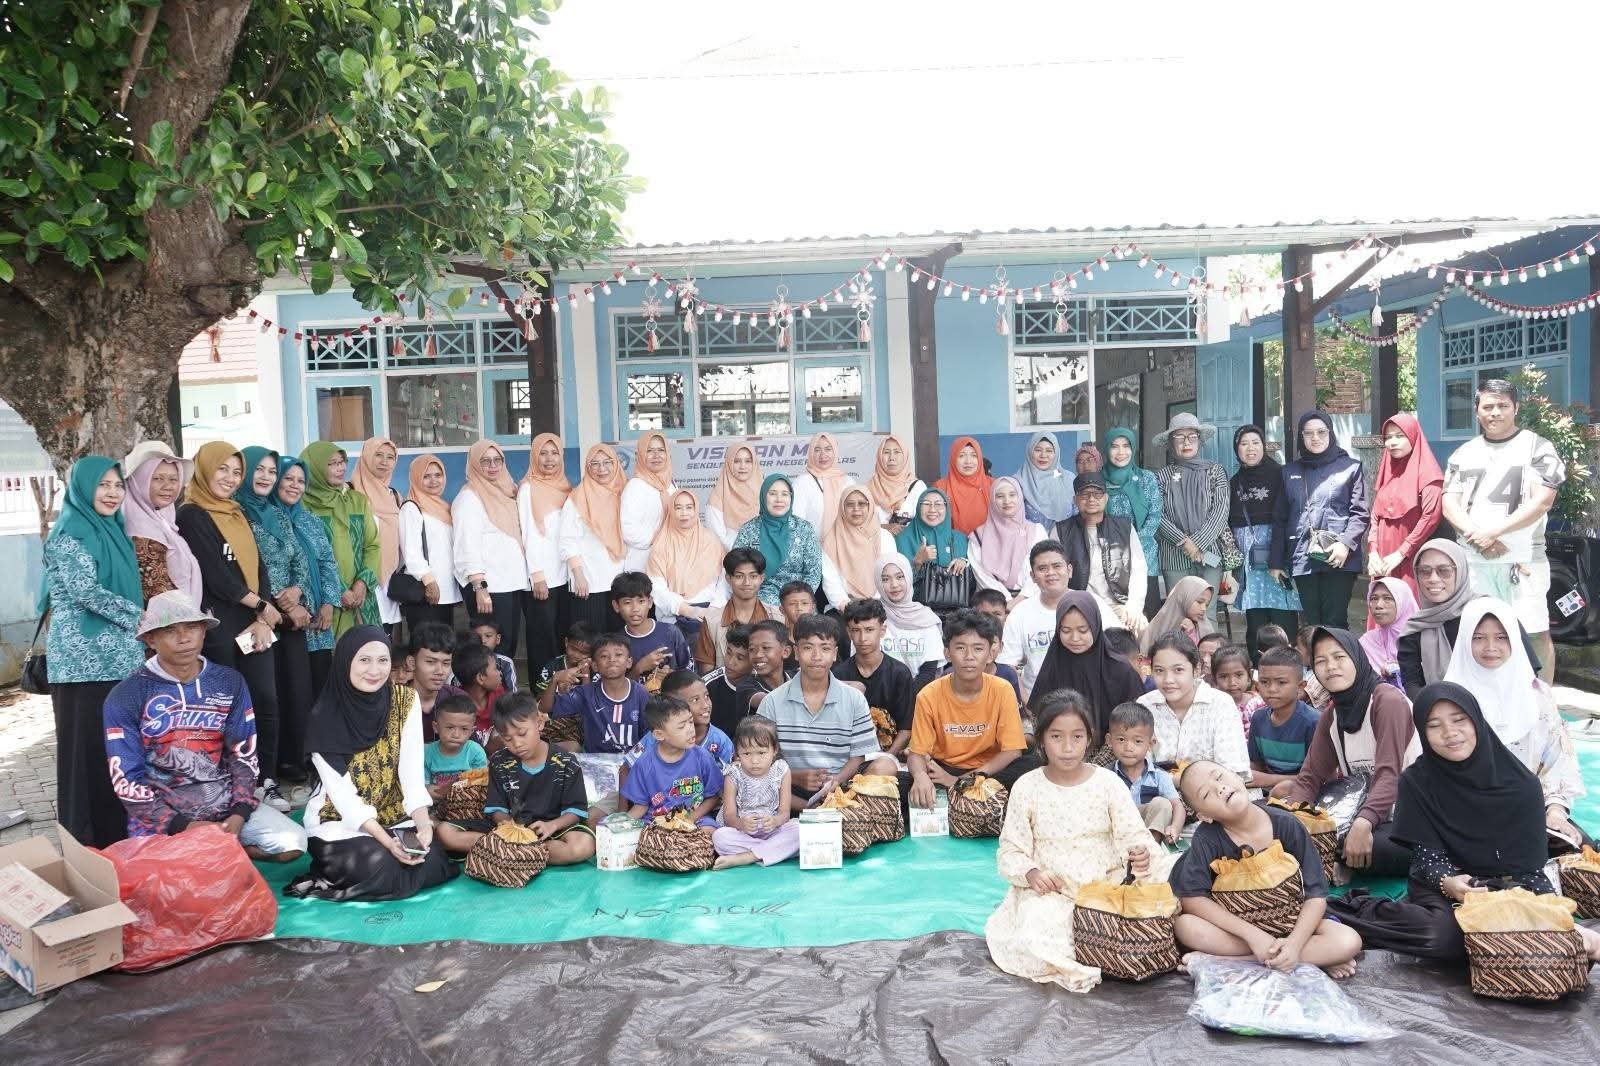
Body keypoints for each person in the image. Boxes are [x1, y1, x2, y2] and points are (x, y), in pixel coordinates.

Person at [1327, 683, 1600, 965]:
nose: (1450, 733)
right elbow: (1428, 859)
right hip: (1443, 886)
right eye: (1435, 726)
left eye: (1459, 720)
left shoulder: (1522, 786)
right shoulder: (1417, 782)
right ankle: (1354, 910)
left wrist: (1554, 918)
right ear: (1423, 732)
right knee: (1440, 938)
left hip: (1508, 888)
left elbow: (1530, 871)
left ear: (1476, 721)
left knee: (1553, 942)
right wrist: (1448, 883)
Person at [984, 690, 1165, 994]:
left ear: (1089, 738)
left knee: (1155, 912)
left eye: (1077, 737)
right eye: (1056, 737)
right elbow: (1011, 850)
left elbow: (1133, 836)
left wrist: (1141, 856)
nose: (1068, 748)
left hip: (1107, 885)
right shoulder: (1027, 786)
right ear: (1041, 740)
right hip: (1052, 891)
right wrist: (1032, 874)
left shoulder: (1108, 783)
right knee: (1035, 938)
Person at [104, 590, 307, 860]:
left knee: (293, 842)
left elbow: (243, 755)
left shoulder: (229, 682)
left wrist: (239, 812)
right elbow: (126, 779)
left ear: (203, 631)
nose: (184, 638)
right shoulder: (126, 695)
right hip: (164, 823)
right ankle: (219, 850)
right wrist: (183, 826)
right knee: (170, 872)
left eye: (192, 627)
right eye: (170, 630)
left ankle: (226, 847)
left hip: (225, 810)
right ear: (151, 639)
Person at [286, 627, 455, 902]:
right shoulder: (324, 717)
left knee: (432, 859)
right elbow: (343, 797)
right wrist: (388, 842)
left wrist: (424, 825)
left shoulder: (405, 700)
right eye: (364, 660)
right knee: (381, 865)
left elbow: (411, 774)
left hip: (391, 813)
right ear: (346, 661)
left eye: (382, 660)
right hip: (339, 820)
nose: (375, 670)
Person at [1171, 760, 1362, 978]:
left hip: (1292, 919)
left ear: (1238, 776)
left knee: (1348, 941)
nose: (1219, 788)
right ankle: (1305, 957)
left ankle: (1235, 961)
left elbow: (1316, 895)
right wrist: (1254, 936)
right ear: (1204, 816)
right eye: (1206, 794)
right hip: (1242, 930)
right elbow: (1193, 899)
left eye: (1219, 777)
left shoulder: (1287, 824)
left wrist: (1295, 944)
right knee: (1185, 926)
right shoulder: (1206, 839)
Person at [41, 456, 147, 848]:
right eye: (103, 484)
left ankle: (118, 835)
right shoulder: (71, 533)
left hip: (121, 662)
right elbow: (86, 592)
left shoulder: (114, 532)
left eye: (118, 485)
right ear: (83, 488)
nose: (112, 493)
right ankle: (84, 843)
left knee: (116, 754)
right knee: (83, 757)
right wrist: (143, 619)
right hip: (81, 667)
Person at [177, 442, 285, 808]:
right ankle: (232, 783)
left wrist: (262, 615)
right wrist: (261, 605)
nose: (230, 478)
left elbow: (259, 567)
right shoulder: (192, 515)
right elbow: (217, 575)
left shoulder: (237, 513)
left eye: (237, 472)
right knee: (226, 705)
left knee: (265, 699)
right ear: (205, 470)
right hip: (221, 625)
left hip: (254, 623)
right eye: (222, 469)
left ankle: (265, 779)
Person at [1443, 379, 1566, 684]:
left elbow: (1543, 501)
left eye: (1502, 406)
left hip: (1522, 560)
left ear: (1516, 408)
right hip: (1475, 562)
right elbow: (1449, 503)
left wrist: (1496, 532)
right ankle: (1485, 697)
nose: (1495, 412)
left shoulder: (1538, 448)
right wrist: (1478, 536)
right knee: (1478, 633)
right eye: (1488, 406)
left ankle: (1541, 701)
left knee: (1533, 633)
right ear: (1477, 411)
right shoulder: (1463, 453)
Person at [1443, 599, 1586, 848]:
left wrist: (1554, 811)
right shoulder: (1448, 698)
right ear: (1465, 639)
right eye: (1478, 638)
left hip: (1528, 811)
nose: (1490, 647)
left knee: (1577, 848)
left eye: (1501, 637)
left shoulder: (1538, 695)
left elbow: (1558, 758)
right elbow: (1429, 769)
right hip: (1464, 813)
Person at [1282, 627, 1419, 877]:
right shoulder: (1332, 715)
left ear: (1357, 657)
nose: (1330, 667)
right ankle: (1338, 861)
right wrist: (1293, 822)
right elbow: (1310, 776)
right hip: (1360, 811)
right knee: (1280, 821)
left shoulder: (1387, 701)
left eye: (1339, 657)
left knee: (1376, 846)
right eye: (1321, 661)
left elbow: (1389, 774)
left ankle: (1341, 864)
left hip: (1407, 814)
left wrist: (1363, 822)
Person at [433, 692, 595, 866]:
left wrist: (553, 825)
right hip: (508, 831)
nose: (517, 744)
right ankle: (525, 853)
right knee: (445, 832)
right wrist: (510, 827)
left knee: (583, 845)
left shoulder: (566, 762)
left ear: (539, 723)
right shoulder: (499, 761)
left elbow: (575, 811)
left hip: (549, 831)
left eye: (522, 734)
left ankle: (506, 853)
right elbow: (497, 809)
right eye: (507, 738)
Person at [235, 446, 316, 790]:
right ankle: (264, 769)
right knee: (265, 694)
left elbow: (299, 559)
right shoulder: (237, 514)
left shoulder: (276, 514)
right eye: (260, 470)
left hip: (289, 618)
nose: (266, 477)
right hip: (257, 617)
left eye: (272, 471)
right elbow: (247, 568)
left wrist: (296, 592)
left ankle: (293, 761)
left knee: (296, 689)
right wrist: (276, 604)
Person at [757, 614, 897, 805]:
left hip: (842, 787)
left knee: (885, 766)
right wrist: (794, 777)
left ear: (834, 653)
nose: (816, 657)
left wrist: (837, 781)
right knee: (753, 775)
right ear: (796, 652)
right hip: (789, 788)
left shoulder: (854, 699)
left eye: (825, 648)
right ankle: (811, 810)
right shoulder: (772, 702)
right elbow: (760, 759)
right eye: (808, 648)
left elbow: (859, 756)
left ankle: (839, 808)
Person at [908, 610, 1030, 809]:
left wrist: (962, 780)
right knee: (903, 782)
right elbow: (917, 753)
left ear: (990, 654)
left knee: (1031, 766)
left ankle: (960, 792)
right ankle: (963, 797)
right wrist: (921, 776)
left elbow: (1012, 751)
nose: (969, 657)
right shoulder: (928, 695)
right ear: (947, 653)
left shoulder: (1002, 689)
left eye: (978, 648)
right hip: (944, 769)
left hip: (988, 771)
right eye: (960, 648)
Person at [1396, 538, 1537, 698]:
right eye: (1424, 571)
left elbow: (1528, 669)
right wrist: (1438, 709)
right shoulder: (1416, 627)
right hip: (1443, 709)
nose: (1433, 578)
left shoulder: (1491, 612)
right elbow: (1412, 685)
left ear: (1461, 571)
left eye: (1444, 570)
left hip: (1503, 704)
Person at [1272, 411, 1369, 629]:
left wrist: (1345, 544)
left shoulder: (1351, 468)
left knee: (1335, 622)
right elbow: (1280, 519)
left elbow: (1360, 513)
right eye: (1308, 433)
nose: (1315, 438)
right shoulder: (1289, 472)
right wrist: (1276, 562)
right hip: (1302, 555)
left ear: (1330, 433)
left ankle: (1339, 653)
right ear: (1301, 437)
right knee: (1311, 624)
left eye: (1321, 432)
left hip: (1338, 557)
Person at [1025, 592, 1146, 746]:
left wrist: (1101, 757)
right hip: (1059, 750)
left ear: (1095, 626)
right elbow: (1039, 718)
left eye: (1083, 630)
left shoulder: (1121, 670)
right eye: (1066, 631)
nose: (1075, 638)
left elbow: (1134, 723)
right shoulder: (1053, 665)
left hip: (1113, 751)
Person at [452, 440, 531, 661]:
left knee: (507, 644)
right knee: (490, 650)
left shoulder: (507, 492)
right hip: (489, 588)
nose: (493, 466)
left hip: (509, 584)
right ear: (475, 464)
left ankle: (502, 683)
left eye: (497, 460)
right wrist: (480, 587)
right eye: (485, 461)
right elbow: (466, 545)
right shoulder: (469, 498)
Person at [1229, 424, 1300, 662]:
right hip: (1249, 563)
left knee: (1283, 615)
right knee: (1255, 620)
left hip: (1278, 556)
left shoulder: (1281, 475)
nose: (1250, 449)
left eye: (1255, 443)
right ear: (1237, 449)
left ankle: (1289, 666)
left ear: (1264, 446)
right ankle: (1258, 669)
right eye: (1244, 444)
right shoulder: (1235, 482)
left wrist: (1281, 556)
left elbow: (1291, 516)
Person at [273, 454, 342, 698]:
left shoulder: (310, 521)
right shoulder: (265, 521)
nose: (295, 485)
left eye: (301, 481)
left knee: (321, 688)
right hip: (285, 620)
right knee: (293, 691)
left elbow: (327, 563)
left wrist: (329, 603)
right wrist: (291, 606)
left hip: (318, 622)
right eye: (288, 478)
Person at [1154, 413, 1229, 625]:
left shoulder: (1215, 472)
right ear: (1171, 443)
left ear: (1199, 440)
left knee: (1208, 612)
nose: (1186, 442)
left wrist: (1197, 543)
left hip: (1209, 554)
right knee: (1178, 613)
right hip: (1174, 555)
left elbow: (1220, 511)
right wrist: (1183, 541)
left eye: (1192, 437)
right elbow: (1157, 515)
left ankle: (1208, 648)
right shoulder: (1161, 477)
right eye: (1179, 437)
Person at [1137, 634, 1250, 776]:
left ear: (1196, 669)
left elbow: (1233, 772)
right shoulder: (1145, 705)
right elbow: (1138, 768)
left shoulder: (1220, 705)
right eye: (1159, 670)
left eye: (1178, 670)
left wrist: (1176, 779)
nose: (1168, 680)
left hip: (1214, 789)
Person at [300, 441, 381, 636]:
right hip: (324, 600)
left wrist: (362, 583)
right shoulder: (303, 506)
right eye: (333, 463)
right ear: (315, 468)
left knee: (365, 648)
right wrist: (340, 590)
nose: (341, 468)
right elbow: (308, 555)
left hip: (360, 598)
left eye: (342, 462)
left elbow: (372, 545)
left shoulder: (357, 500)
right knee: (331, 652)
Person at [619, 694, 724, 832]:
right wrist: (621, 825)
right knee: (642, 836)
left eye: (690, 722)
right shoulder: (644, 764)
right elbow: (640, 806)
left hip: (695, 818)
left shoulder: (702, 757)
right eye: (681, 726)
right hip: (656, 822)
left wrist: (689, 819)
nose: (690, 729)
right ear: (659, 734)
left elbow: (713, 797)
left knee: (709, 831)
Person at [1054, 473, 1146, 629]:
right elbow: (1054, 572)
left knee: (1140, 627)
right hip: (1078, 605)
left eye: (1097, 493)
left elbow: (1139, 569)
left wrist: (1134, 605)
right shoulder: (1061, 531)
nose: (1091, 499)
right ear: (1075, 500)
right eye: (1084, 494)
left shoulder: (1124, 527)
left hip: (1117, 605)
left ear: (1106, 498)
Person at [1366, 413, 1443, 599]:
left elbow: (1431, 517)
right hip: (1382, 561)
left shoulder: (1428, 473)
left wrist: (1402, 552)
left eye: (1400, 436)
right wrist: (1373, 552)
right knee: (1383, 606)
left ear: (1413, 436)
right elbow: (1376, 516)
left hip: (1412, 558)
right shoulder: (1388, 471)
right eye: (1388, 437)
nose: (1392, 442)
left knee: (1406, 606)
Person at [712, 715, 799, 869]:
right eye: (746, 754)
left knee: (799, 829)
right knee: (719, 837)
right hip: (743, 834)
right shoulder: (733, 774)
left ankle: (748, 856)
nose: (754, 761)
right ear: (737, 752)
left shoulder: (781, 770)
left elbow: (785, 813)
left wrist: (775, 821)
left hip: (773, 831)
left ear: (774, 750)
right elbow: (729, 816)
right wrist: (741, 824)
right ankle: (776, 851)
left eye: (761, 753)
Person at [834, 597, 917, 758]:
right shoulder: (838, 674)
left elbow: (907, 729)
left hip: (890, 755)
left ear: (882, 630)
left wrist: (887, 757)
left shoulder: (900, 673)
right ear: (848, 632)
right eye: (856, 630)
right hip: (849, 755)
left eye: (869, 630)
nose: (862, 638)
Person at [121, 441, 202, 604]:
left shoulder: (162, 520)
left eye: (173, 479)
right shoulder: (140, 531)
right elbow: (158, 596)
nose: (168, 486)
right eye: (157, 478)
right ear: (139, 481)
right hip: (171, 618)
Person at [560, 444, 630, 633]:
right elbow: (567, 540)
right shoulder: (577, 497)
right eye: (595, 464)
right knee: (591, 639)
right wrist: (579, 576)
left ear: (616, 464)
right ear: (587, 467)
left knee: (617, 639)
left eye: (607, 462)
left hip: (619, 582)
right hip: (589, 582)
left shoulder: (624, 492)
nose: (602, 469)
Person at [542, 633, 649, 754]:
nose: (612, 660)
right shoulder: (586, 693)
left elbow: (649, 735)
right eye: (604, 656)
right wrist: (555, 679)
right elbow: (545, 708)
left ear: (629, 662)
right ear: (595, 666)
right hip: (595, 760)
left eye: (618, 654)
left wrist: (632, 760)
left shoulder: (641, 693)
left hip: (632, 760)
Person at [621, 669, 734, 779]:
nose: (705, 705)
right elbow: (626, 769)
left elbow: (730, 780)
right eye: (695, 700)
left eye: (706, 696)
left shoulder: (721, 741)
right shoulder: (659, 737)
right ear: (672, 706)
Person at [517, 432, 572, 656]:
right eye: (543, 453)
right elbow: (527, 535)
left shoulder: (565, 486)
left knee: (560, 635)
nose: (549, 459)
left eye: (554, 453)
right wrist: (537, 576)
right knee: (543, 638)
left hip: (563, 575)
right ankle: (542, 679)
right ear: (534, 457)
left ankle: (560, 677)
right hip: (542, 577)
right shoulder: (527, 489)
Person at [732, 474, 823, 609]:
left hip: (799, 601)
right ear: (764, 497)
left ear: (791, 498)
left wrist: (799, 600)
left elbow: (813, 572)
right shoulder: (749, 530)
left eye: (784, 494)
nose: (779, 499)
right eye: (773, 494)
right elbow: (737, 569)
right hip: (759, 599)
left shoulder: (804, 529)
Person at [998, 541, 1074, 702]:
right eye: (1042, 568)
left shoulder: (1092, 604)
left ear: (1069, 570)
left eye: (1057, 566)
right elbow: (1007, 665)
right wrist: (1028, 704)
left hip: (1085, 701)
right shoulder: (1020, 613)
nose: (1050, 573)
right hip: (1039, 702)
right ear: (1032, 576)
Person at [1102, 426, 1164, 621]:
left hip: (1144, 555)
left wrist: (1136, 542)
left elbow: (1155, 514)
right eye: (1114, 446)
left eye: (1126, 446)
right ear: (1106, 449)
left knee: (1148, 615)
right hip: (1111, 557)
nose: (1121, 452)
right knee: (1116, 617)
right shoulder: (1099, 481)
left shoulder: (1146, 478)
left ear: (1133, 448)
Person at [396, 453, 459, 632]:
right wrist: (429, 582)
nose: (434, 481)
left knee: (443, 644)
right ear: (416, 478)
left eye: (438, 475)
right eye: (426, 476)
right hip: (425, 590)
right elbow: (411, 552)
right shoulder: (411, 508)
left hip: (445, 592)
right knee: (425, 643)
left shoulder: (445, 508)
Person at [1105, 702, 1184, 842]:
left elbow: (1177, 806)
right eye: (1121, 739)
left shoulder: (1159, 776)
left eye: (1137, 741)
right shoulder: (1105, 775)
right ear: (1109, 741)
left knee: (1163, 804)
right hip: (1117, 831)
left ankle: (1150, 847)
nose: (1128, 747)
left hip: (1148, 830)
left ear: (1150, 744)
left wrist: (1175, 828)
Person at [1247, 645, 1322, 791]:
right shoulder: (1258, 718)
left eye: (1281, 682)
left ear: (1300, 687)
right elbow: (1256, 765)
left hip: (1305, 793)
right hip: (1267, 791)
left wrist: (1270, 780)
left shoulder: (1313, 722)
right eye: (1264, 682)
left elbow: (1320, 777)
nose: (1271, 689)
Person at [348, 436, 404, 628]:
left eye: (390, 457)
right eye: (378, 455)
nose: (384, 462)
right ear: (366, 456)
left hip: (389, 581)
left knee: (386, 634)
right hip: (358, 580)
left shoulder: (395, 496)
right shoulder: (350, 493)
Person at [694, 548, 780, 672]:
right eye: (739, 576)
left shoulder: (778, 617)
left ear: (761, 578)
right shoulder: (712, 620)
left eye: (753, 576)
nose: (747, 582)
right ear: (728, 578)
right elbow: (708, 675)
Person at [648, 489, 725, 625]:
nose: (684, 513)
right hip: (673, 615)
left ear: (696, 509)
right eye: (678, 508)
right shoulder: (661, 544)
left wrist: (713, 609)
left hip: (710, 613)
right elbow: (656, 588)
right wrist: (685, 609)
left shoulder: (711, 541)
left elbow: (723, 581)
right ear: (671, 510)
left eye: (689, 507)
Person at [969, 477, 1047, 601]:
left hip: (1032, 600)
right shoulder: (978, 536)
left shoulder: (1036, 531)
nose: (1007, 501)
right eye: (1000, 496)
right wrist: (1006, 601)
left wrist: (1021, 598)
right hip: (993, 603)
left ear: (1020, 497)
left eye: (1012, 495)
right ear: (993, 500)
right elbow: (982, 575)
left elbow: (1042, 566)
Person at [610, 572, 690, 690]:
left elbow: (690, 674)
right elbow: (614, 689)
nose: (635, 609)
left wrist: (673, 677)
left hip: (671, 700)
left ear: (650, 602)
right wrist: (639, 668)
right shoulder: (614, 644)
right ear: (616, 606)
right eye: (627, 602)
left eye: (641, 601)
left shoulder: (671, 632)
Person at [821, 486, 897, 607]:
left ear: (870, 506)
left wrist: (876, 605)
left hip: (881, 605)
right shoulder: (831, 540)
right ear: (842, 508)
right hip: (845, 608)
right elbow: (831, 582)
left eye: (862, 504)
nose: (856, 509)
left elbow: (889, 573)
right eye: (850, 504)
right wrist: (846, 608)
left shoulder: (884, 537)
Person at [875, 553, 945, 677]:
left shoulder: (925, 617)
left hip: (920, 688)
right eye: (885, 579)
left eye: (900, 577)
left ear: (908, 577)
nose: (894, 584)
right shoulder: (872, 616)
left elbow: (928, 671)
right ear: (878, 582)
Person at [621, 429, 675, 572]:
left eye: (661, 450)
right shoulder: (635, 486)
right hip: (643, 563)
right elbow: (628, 530)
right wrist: (658, 539)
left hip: (669, 559)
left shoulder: (670, 485)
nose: (656, 455)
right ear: (641, 455)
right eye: (649, 451)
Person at [895, 488, 970, 582]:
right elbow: (899, 582)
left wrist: (964, 563)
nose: (932, 509)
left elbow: (972, 579)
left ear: (946, 508)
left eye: (938, 504)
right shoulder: (903, 539)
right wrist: (918, 561)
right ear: (918, 507)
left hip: (956, 592)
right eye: (926, 504)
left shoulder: (960, 539)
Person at [422, 694, 488, 801]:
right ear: (436, 727)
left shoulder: (475, 751)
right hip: (435, 801)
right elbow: (422, 784)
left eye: (464, 729)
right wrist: (427, 789)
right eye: (450, 727)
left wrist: (453, 789)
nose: (456, 735)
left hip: (467, 801)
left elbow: (481, 781)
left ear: (471, 731)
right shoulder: (427, 753)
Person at [408, 622, 465, 739]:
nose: (440, 671)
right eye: (431, 662)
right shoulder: (393, 702)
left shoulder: (458, 699)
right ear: (412, 663)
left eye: (446, 663)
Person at [1013, 431, 1078, 528]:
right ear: (1030, 451)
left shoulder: (1068, 479)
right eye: (1038, 450)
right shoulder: (1018, 482)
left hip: (1068, 536)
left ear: (1056, 453)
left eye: (1049, 451)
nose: (1043, 455)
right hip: (1030, 537)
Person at [791, 431, 853, 533]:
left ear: (835, 451)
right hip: (812, 542)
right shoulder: (802, 483)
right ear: (811, 453)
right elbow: (796, 522)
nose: (823, 455)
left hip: (843, 542)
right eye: (817, 450)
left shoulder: (848, 482)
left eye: (828, 449)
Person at [1358, 577, 1417, 683]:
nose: (1378, 605)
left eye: (1388, 598)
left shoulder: (1423, 640)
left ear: (1403, 602)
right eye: (1374, 598)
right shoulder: (1367, 641)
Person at [705, 442, 763, 548]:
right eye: (736, 461)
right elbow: (717, 536)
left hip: (762, 554)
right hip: (729, 555)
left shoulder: (765, 493)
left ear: (754, 464)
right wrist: (742, 553)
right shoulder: (717, 496)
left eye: (748, 461)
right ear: (729, 463)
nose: (742, 466)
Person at [934, 435, 994, 535]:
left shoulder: (993, 485)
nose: (968, 461)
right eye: (961, 456)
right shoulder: (941, 487)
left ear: (979, 458)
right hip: (953, 543)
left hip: (988, 542)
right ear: (953, 458)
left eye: (973, 455)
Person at [865, 434, 924, 533]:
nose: (891, 458)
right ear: (879, 456)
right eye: (886, 452)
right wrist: (883, 527)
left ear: (905, 456)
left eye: (897, 452)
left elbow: (925, 523)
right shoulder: (867, 489)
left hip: (907, 542)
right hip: (877, 542)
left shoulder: (918, 487)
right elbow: (860, 525)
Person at [735, 620, 794, 718]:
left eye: (765, 648)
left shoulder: (796, 677)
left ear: (785, 652)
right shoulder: (746, 685)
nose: (758, 654)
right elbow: (767, 701)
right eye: (752, 649)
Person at [1140, 575, 1214, 655]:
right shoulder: (1158, 625)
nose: (1203, 608)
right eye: (1199, 602)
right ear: (1183, 597)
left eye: (1206, 605)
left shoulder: (1205, 628)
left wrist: (1191, 634)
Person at [453, 641, 505, 744]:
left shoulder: (498, 693)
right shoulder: (457, 708)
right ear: (480, 678)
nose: (500, 673)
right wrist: (493, 746)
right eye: (495, 668)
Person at [707, 623, 754, 736]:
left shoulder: (762, 683)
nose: (730, 662)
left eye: (740, 658)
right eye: (728, 653)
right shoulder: (707, 685)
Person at [1210, 644, 1263, 737]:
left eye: (1239, 675)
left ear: (1249, 676)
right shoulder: (1211, 708)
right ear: (1215, 680)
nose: (1232, 683)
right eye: (1224, 676)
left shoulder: (1259, 705)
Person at [466, 617, 518, 693]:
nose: (483, 641)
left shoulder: (505, 663)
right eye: (478, 637)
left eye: (488, 636)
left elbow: (512, 694)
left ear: (498, 639)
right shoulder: (466, 662)